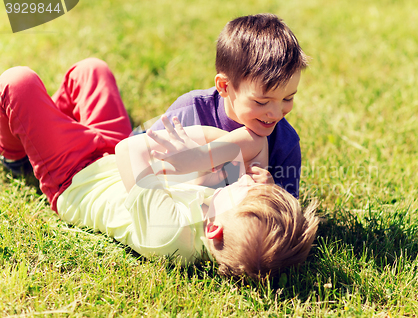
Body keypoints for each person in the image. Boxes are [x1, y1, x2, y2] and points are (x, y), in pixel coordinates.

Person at [0, 59, 319, 280]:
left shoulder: (167, 234)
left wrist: (191, 155)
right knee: (91, 70)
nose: (247, 176)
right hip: (115, 153)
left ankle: (16, 152)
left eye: (243, 187)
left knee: (18, 82)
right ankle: (47, 127)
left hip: (78, 175)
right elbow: (256, 143)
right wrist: (221, 161)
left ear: (213, 230)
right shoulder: (220, 215)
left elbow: (131, 150)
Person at [147, 13, 308, 199]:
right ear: (224, 86)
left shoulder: (285, 143)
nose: (275, 113)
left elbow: (291, 210)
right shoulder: (190, 111)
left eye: (288, 99)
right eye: (262, 102)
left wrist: (273, 192)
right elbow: (142, 156)